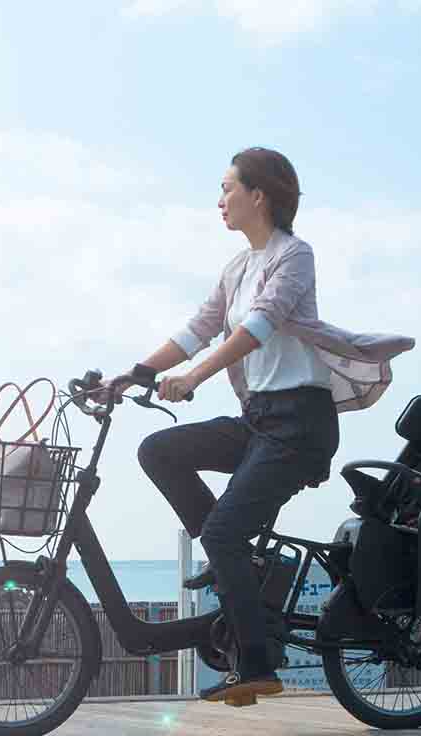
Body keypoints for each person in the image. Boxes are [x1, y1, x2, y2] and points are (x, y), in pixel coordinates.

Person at [110, 147, 337, 706]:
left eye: (228, 187)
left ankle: (258, 664)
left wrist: (192, 378)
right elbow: (201, 327)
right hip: (258, 419)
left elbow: (255, 329)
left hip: (298, 424)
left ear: (258, 195)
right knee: (159, 450)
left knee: (221, 533)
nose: (220, 200)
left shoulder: (294, 256)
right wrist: (136, 373)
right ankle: (244, 566)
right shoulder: (236, 268)